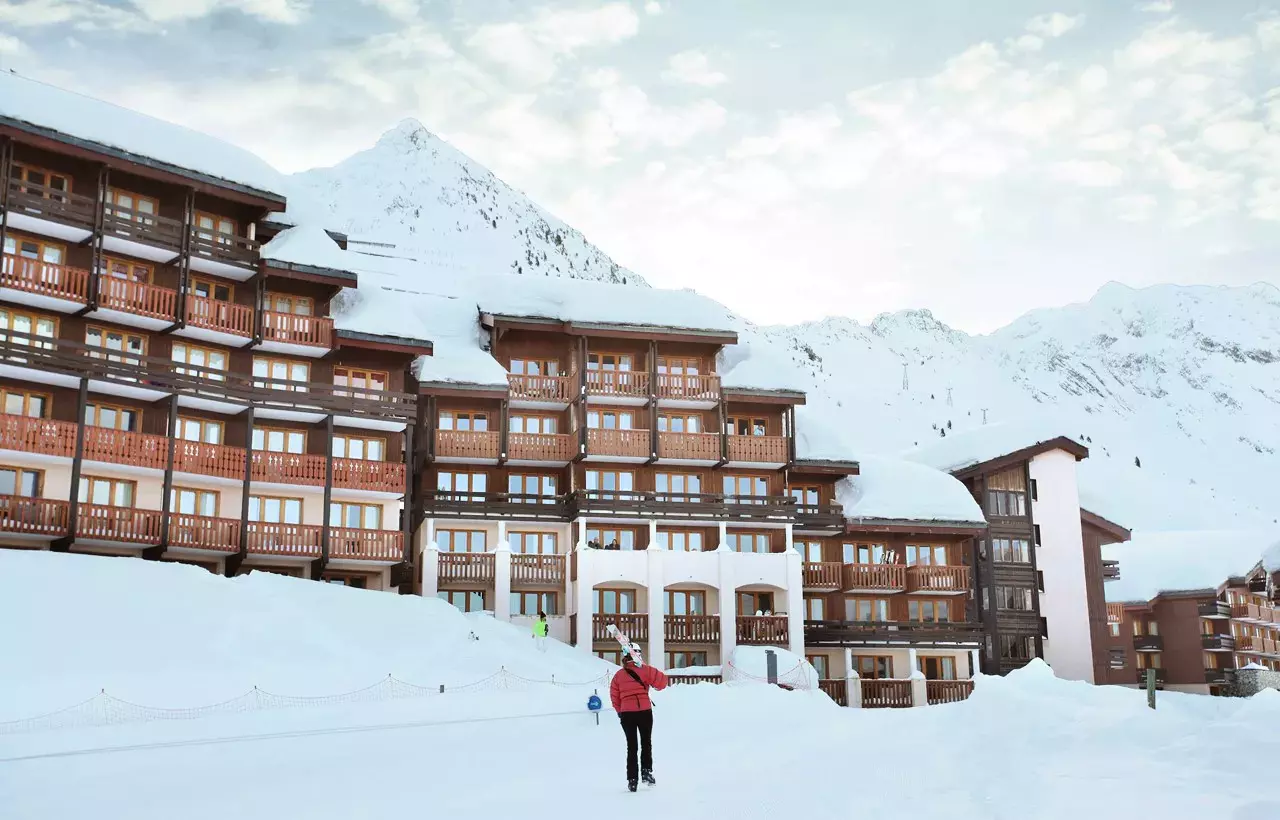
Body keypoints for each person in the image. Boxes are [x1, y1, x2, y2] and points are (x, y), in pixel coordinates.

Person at [608, 652, 668, 792]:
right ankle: (646, 773)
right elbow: (662, 682)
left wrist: (620, 711)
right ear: (637, 656)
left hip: (627, 714)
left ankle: (632, 780)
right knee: (646, 742)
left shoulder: (618, 675)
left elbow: (614, 696)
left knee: (632, 746)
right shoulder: (645, 670)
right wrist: (646, 668)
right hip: (644, 712)